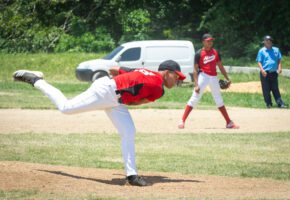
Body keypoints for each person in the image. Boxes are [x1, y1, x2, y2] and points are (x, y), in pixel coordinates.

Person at [12, 60, 186, 187]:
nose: (177, 80)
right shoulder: (158, 88)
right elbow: (136, 102)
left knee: (129, 132)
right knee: (66, 108)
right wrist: (118, 91)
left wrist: (120, 86)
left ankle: (132, 175)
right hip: (107, 93)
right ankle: (36, 80)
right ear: (167, 72)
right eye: (176, 76)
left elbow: (114, 69)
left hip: (112, 95)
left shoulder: (144, 70)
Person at [178, 33, 239, 129]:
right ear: (203, 42)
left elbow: (220, 66)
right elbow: (195, 70)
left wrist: (227, 78)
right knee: (195, 98)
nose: (210, 42)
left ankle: (228, 122)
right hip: (203, 76)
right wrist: (196, 84)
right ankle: (182, 121)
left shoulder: (215, 52)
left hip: (214, 77)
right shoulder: (198, 54)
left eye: (211, 41)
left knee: (218, 99)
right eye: (208, 41)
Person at [256, 35, 287, 108]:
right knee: (266, 89)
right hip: (265, 73)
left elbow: (279, 60)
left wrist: (279, 68)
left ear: (271, 42)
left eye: (269, 40)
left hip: (274, 72)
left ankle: (280, 103)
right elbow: (259, 62)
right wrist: (262, 70)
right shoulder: (261, 51)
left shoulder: (276, 50)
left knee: (275, 88)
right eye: (266, 41)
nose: (268, 42)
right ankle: (268, 104)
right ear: (264, 42)